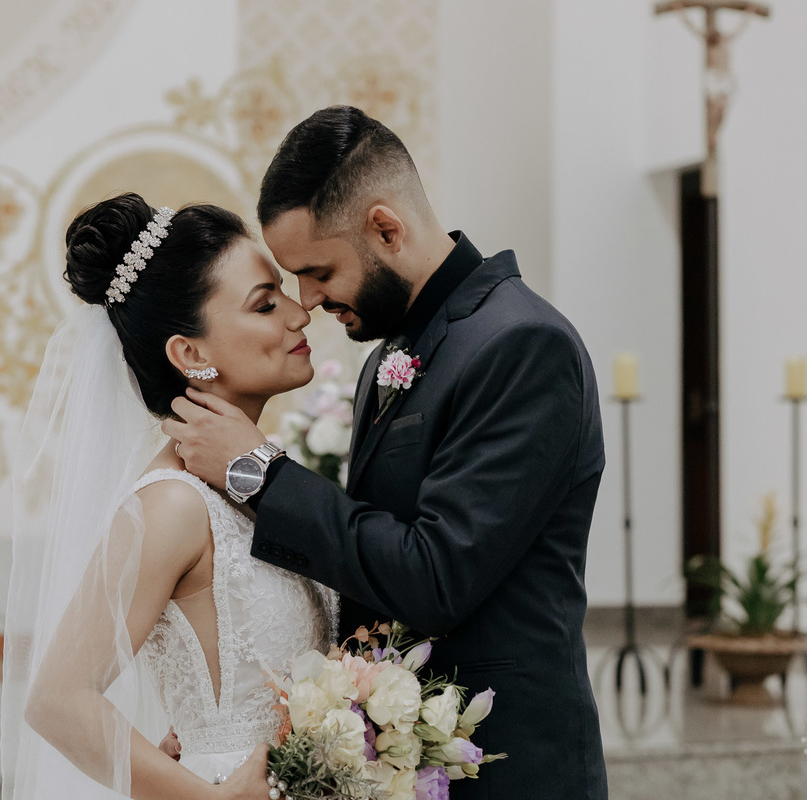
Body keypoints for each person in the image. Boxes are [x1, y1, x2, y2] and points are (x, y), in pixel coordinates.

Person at [166, 106, 609, 799]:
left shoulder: (523, 346)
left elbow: (434, 577)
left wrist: (261, 472)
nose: (307, 301)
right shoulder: (389, 355)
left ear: (385, 228)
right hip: (399, 770)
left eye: (317, 271)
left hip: (508, 770)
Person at [2, 194, 337, 800]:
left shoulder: (267, 480)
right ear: (190, 354)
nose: (299, 314)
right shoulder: (173, 505)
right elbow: (56, 700)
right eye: (265, 304)